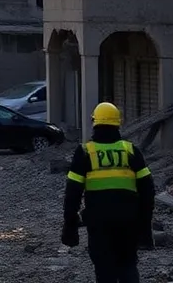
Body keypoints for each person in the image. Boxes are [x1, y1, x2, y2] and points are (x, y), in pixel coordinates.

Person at [61, 102, 155, 283]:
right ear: (117, 124)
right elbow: (148, 190)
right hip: (129, 220)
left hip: (99, 222)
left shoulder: (85, 152)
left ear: (94, 123)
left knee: (104, 269)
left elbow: (72, 193)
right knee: (128, 265)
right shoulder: (130, 150)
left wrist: (70, 226)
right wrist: (144, 226)